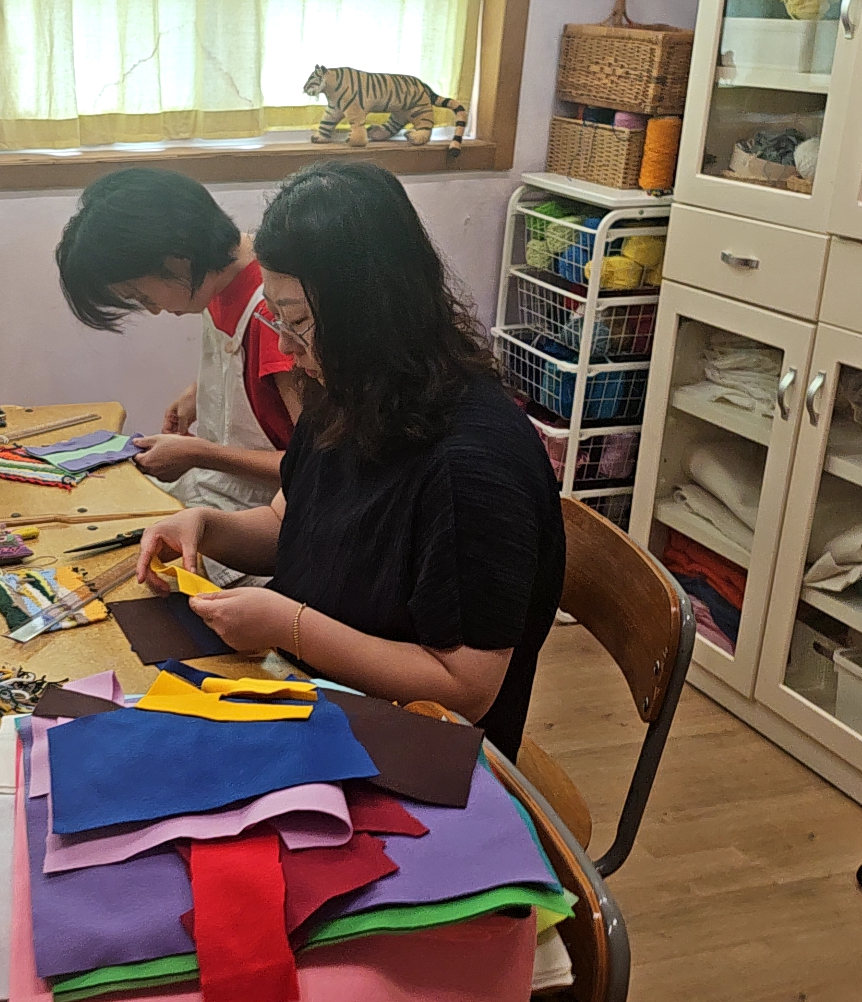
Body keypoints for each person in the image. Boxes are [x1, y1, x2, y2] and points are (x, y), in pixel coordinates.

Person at [133, 161, 565, 758]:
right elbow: (289, 523)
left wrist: (288, 625)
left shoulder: (472, 468)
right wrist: (206, 528)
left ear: (371, 309)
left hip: (413, 749)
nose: (284, 345)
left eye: (299, 322)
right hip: (314, 697)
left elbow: (464, 689)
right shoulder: (347, 392)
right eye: (277, 319)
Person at [56, 168, 302, 514]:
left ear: (177, 259)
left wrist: (199, 454)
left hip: (268, 517)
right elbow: (249, 369)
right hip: (223, 491)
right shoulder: (216, 278)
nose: (153, 310)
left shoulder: (274, 316)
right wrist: (201, 391)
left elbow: (318, 470)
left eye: (141, 296)